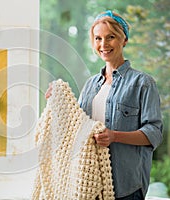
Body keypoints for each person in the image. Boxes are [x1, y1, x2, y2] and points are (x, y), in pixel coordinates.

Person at [45, 10, 163, 199]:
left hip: (127, 186)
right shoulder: (91, 84)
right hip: (89, 183)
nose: (103, 44)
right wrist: (57, 100)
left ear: (124, 40)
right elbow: (76, 128)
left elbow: (154, 133)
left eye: (111, 37)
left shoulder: (143, 83)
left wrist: (114, 136)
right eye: (98, 38)